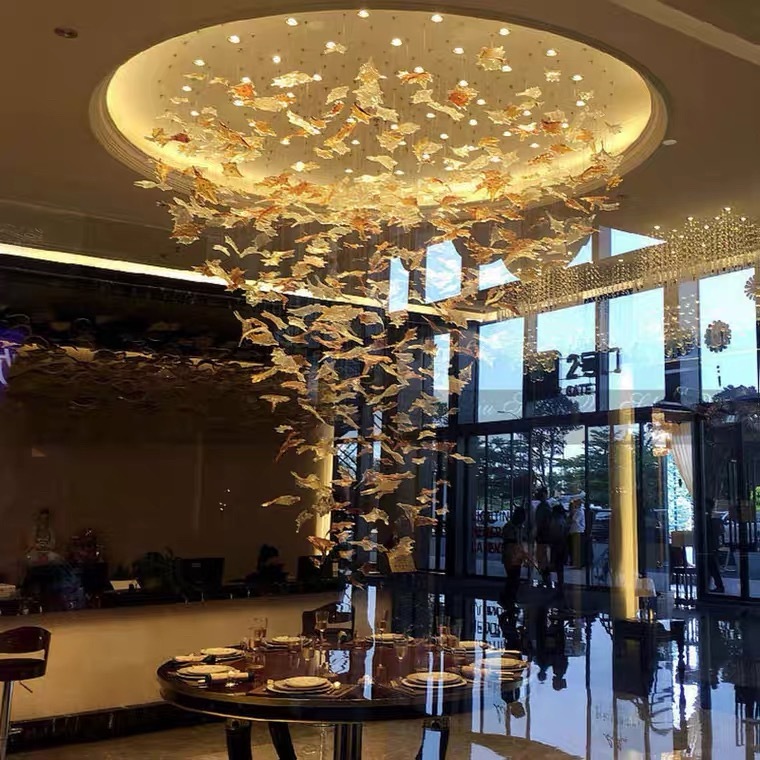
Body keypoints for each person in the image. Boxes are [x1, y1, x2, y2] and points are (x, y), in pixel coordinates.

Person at [500, 506, 532, 615]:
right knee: (512, 578)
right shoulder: (510, 527)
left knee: (515, 578)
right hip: (511, 555)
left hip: (516, 556)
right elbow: (510, 542)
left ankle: (510, 598)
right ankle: (507, 598)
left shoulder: (519, 528)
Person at [533, 487, 552, 587]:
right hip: (542, 536)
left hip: (542, 536)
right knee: (542, 557)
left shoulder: (544, 507)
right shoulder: (544, 506)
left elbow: (541, 523)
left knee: (542, 557)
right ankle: (545, 578)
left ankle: (546, 578)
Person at [548, 502, 569, 591]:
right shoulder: (563, 520)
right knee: (560, 567)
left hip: (557, 545)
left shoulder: (556, 521)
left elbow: (555, 534)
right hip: (562, 544)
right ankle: (560, 585)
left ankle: (559, 586)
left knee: (557, 565)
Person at [705, 498, 725, 593]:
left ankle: (718, 586)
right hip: (712, 546)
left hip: (710, 546)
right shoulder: (712, 519)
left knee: (712, 567)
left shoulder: (709, 519)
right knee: (711, 567)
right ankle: (714, 586)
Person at [568, 498, 585, 568]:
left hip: (578, 531)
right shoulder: (577, 511)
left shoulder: (579, 511)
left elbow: (574, 520)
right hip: (575, 531)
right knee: (575, 549)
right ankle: (575, 563)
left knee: (577, 549)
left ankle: (578, 564)